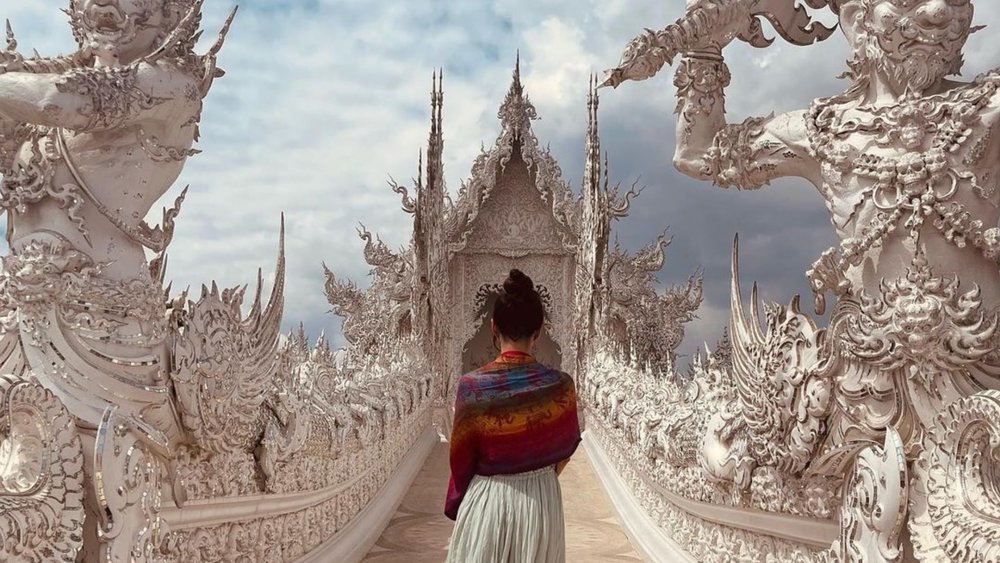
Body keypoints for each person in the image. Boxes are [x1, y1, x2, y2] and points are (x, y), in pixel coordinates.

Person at [445, 269, 581, 563]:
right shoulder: (561, 386)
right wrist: (533, 474)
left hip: (488, 502)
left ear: (494, 327)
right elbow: (566, 449)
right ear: (540, 328)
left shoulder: (472, 386)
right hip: (541, 505)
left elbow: (460, 460)